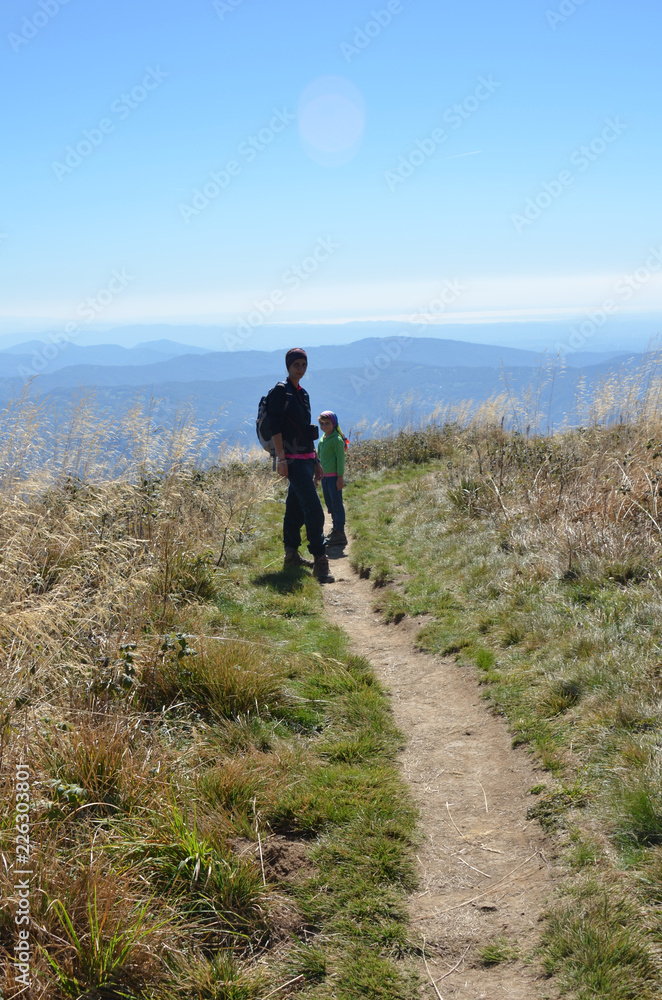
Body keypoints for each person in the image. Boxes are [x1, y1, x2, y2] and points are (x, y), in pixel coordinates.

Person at [267, 348, 334, 583]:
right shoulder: (280, 392)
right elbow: (274, 426)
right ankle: (320, 559)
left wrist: (315, 460)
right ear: (288, 366)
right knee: (314, 509)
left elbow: (306, 431)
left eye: (304, 364)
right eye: (296, 364)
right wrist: (281, 459)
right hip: (292, 460)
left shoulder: (303, 394)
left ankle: (291, 555)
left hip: (306, 458)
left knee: (294, 507)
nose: (300, 368)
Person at [316, 410, 347, 547]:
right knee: (330, 504)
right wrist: (317, 476)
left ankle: (340, 533)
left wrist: (340, 478)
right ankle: (335, 530)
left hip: (334, 477)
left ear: (333, 423)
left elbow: (340, 460)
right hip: (325, 478)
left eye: (327, 423)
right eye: (322, 424)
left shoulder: (337, 440)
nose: (324, 426)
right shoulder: (323, 439)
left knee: (337, 504)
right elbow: (319, 458)